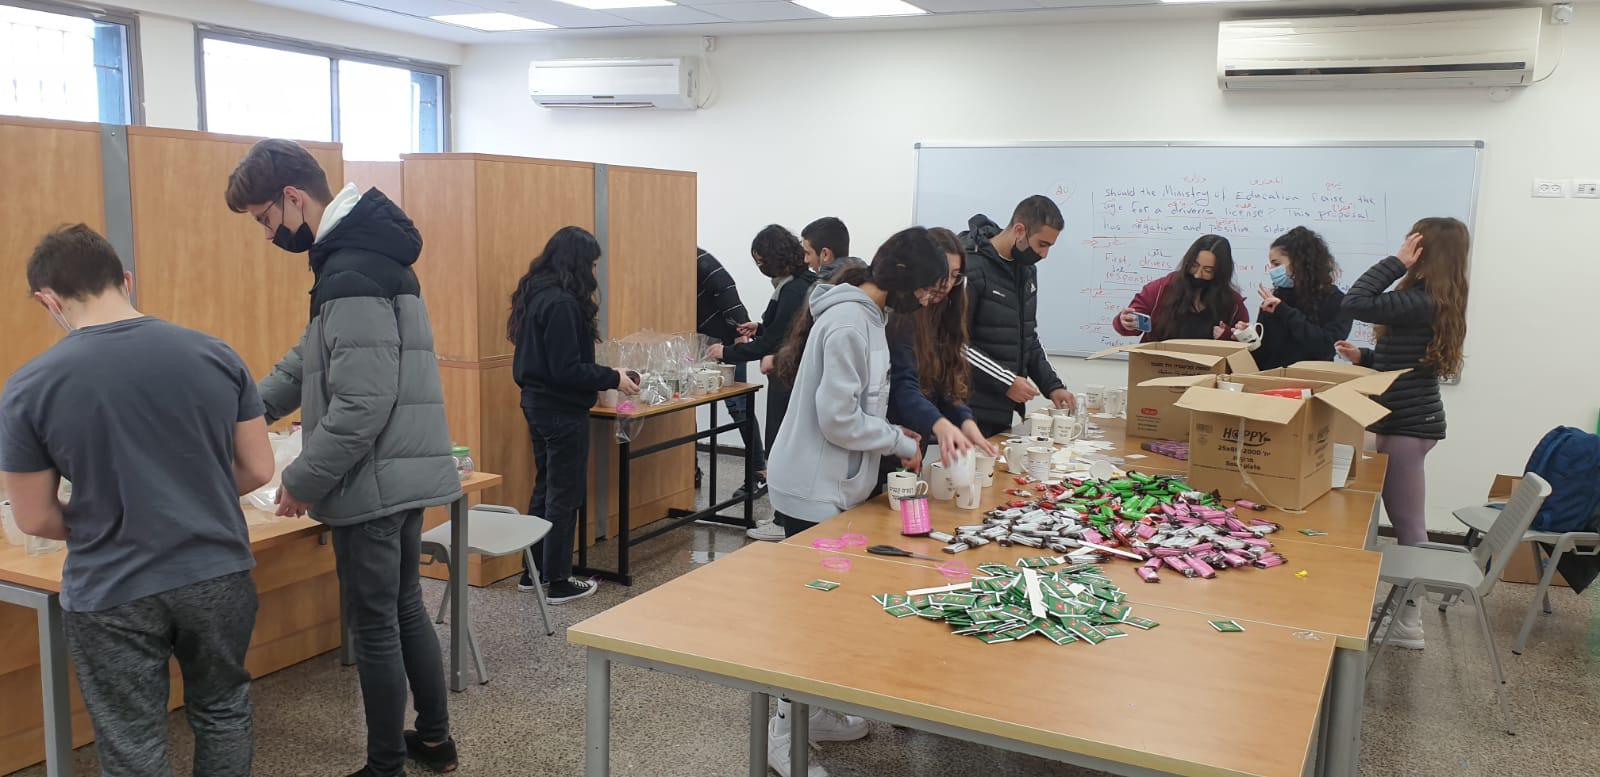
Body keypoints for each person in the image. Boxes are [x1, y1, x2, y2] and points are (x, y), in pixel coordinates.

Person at [1, 225, 275, 777]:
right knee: (223, 710)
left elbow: (33, 515)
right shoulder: (216, 354)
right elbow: (257, 469)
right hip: (216, 571)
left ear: (48, 300)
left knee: (132, 739)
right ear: (125, 280)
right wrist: (191, 496)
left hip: (113, 585)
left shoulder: (29, 387)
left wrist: (108, 516)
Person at [226, 138, 462, 777]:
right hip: (401, 470)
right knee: (404, 607)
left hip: (373, 481)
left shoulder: (350, 269)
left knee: (376, 624)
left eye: (266, 219)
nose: (268, 234)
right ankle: (434, 741)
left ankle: (385, 766)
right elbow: (311, 358)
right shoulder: (362, 255)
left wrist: (302, 478)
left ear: (293, 197)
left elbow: (362, 402)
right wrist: (243, 408)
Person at [763, 227, 948, 777]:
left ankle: (816, 714)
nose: (928, 301)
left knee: (833, 613)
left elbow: (862, 405)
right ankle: (781, 735)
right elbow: (838, 419)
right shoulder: (849, 322)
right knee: (814, 616)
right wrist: (897, 441)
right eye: (928, 289)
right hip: (811, 489)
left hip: (834, 484)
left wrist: (896, 433)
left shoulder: (870, 319)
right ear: (905, 280)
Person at [1338, 218, 1470, 651]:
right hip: (1408, 421)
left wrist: (1395, 262)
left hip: (1409, 426)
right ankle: (1403, 609)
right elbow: (1407, 363)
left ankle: (1409, 623)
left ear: (1424, 251)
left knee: (1410, 527)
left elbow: (1355, 301)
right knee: (1405, 522)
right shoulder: (1429, 299)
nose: (1406, 247)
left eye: (1413, 243)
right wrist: (1366, 356)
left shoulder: (1421, 300)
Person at [509, 227, 640, 603]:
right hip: (561, 409)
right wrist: (612, 377)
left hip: (537, 404)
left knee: (545, 489)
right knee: (564, 496)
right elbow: (567, 369)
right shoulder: (563, 304)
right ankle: (559, 580)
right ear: (579, 264)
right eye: (593, 264)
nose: (595, 272)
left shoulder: (536, 294)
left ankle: (533, 572)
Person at [707, 225, 817, 541]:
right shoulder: (798, 283)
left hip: (789, 377)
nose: (759, 266)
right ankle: (784, 516)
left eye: (761, 259)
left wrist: (727, 352)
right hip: (793, 375)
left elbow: (775, 342)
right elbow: (779, 328)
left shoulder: (793, 289)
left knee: (781, 447)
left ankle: (783, 521)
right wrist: (759, 327)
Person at [960, 196, 1077, 438]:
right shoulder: (971, 266)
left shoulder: (1026, 270)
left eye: (1049, 246)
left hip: (1001, 408)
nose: (1044, 254)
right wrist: (1006, 381)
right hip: (967, 406)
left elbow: (1027, 336)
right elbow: (955, 344)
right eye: (1042, 244)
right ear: (1020, 230)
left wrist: (1052, 386)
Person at [887, 226, 997, 467]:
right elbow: (903, 385)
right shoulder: (901, 314)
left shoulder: (946, 312)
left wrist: (966, 421)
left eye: (955, 275)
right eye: (943, 273)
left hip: (915, 438)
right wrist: (941, 424)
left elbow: (946, 384)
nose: (947, 284)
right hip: (890, 436)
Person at [695, 246, 765, 497]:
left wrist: (740, 333)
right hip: (693, 340)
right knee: (684, 402)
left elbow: (726, 289)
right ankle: (689, 468)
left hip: (724, 341)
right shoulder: (669, 258)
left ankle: (758, 472)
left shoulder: (700, 259)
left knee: (739, 407)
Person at [1245, 227, 1352, 369]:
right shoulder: (1277, 296)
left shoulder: (1335, 300)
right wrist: (1248, 336)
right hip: (1271, 377)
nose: (1271, 270)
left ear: (1299, 263)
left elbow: (1326, 347)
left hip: (1311, 377)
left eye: (1277, 264)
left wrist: (1284, 311)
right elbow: (1262, 351)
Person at [1113, 233, 1250, 344]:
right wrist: (1124, 322)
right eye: (1194, 265)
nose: (1197, 274)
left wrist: (1228, 336)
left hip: (1208, 369)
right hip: (1157, 365)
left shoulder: (1233, 303)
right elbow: (1129, 326)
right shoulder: (1160, 289)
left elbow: (1244, 346)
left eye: (1208, 270)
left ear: (1220, 273)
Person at [801, 216, 861, 281]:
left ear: (825, 254)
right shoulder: (865, 281)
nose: (805, 260)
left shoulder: (824, 285)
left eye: (808, 253)